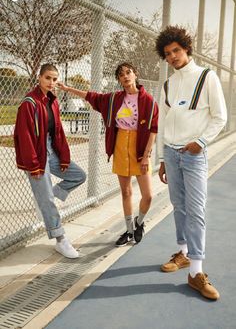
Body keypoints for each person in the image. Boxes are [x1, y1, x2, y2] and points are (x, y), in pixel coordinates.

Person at [155, 25, 227, 300]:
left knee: (196, 210)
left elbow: (220, 117)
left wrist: (202, 142)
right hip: (171, 155)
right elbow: (162, 122)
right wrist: (162, 158)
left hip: (195, 154)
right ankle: (183, 254)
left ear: (186, 48)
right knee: (179, 206)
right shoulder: (168, 84)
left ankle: (196, 272)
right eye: (167, 53)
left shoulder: (207, 77)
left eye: (176, 50)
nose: (172, 56)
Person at [57, 62, 158, 246]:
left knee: (148, 195)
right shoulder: (114, 99)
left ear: (135, 74)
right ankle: (128, 231)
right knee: (126, 191)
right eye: (121, 75)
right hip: (120, 144)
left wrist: (146, 155)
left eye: (129, 72)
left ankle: (139, 223)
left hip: (140, 149)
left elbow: (153, 129)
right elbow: (91, 96)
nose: (125, 76)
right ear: (119, 80)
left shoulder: (148, 100)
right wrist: (67, 88)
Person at [14, 63, 86, 258]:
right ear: (39, 77)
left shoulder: (53, 101)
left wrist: (63, 156)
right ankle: (60, 239)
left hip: (51, 152)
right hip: (36, 155)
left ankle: (46, 199)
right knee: (46, 199)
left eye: (54, 79)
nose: (51, 82)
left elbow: (58, 131)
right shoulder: (29, 103)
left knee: (78, 176)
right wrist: (34, 165)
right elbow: (25, 137)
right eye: (47, 78)